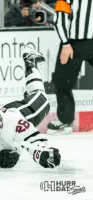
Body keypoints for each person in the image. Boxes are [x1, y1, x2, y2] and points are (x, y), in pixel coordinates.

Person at [0, 46, 61, 169]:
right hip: (10, 119)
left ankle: (32, 62)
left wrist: (42, 152)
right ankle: (28, 96)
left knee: (43, 100)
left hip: (20, 113)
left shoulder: (12, 121)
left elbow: (30, 137)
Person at [47, 0, 93, 134]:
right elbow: (60, 19)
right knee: (62, 81)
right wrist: (66, 44)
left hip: (77, 43)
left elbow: (59, 20)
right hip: (74, 44)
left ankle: (65, 119)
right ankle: (66, 119)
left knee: (62, 82)